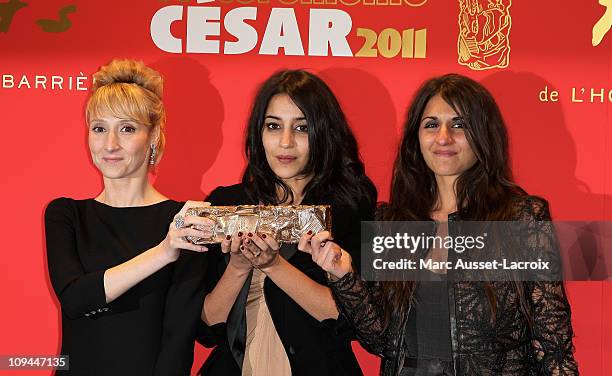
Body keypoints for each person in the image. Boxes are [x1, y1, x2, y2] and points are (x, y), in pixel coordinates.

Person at [301, 74, 578, 375]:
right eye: (431, 124)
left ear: (484, 134)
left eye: (459, 124)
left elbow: (553, 344)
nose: (444, 137)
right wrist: (343, 275)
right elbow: (381, 340)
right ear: (416, 138)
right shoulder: (391, 222)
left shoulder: (522, 219)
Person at [197, 70, 377, 376]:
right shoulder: (225, 204)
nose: (285, 142)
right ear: (259, 133)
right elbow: (207, 328)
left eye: (302, 128)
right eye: (273, 126)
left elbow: (349, 320)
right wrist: (238, 267)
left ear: (323, 132)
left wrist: (272, 265)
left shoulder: (349, 207)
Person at [45, 59, 212, 375]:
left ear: (153, 137)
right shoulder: (66, 214)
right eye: (99, 129)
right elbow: (76, 299)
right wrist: (163, 253)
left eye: (127, 128)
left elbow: (180, 340)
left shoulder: (185, 220)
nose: (110, 144)